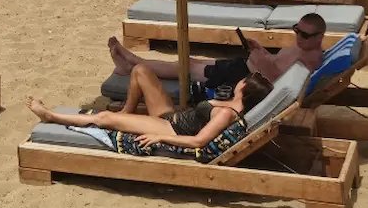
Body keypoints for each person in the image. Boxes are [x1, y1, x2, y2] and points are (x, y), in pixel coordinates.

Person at [26, 68, 270, 157]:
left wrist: (160, 138)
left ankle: (51, 116)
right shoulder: (230, 105)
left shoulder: (228, 115)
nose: (241, 79)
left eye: (244, 79)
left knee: (103, 118)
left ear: (245, 88)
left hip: (170, 128)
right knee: (141, 71)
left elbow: (199, 140)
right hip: (171, 116)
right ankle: (126, 113)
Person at [106, 12, 328, 91]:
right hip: (245, 67)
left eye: (305, 35)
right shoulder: (299, 47)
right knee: (192, 61)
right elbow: (276, 62)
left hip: (243, 79)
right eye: (297, 30)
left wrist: (261, 60)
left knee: (189, 68)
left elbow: (278, 82)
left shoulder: (310, 61)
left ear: (319, 37)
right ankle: (132, 63)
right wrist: (261, 51)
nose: (299, 37)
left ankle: (133, 63)